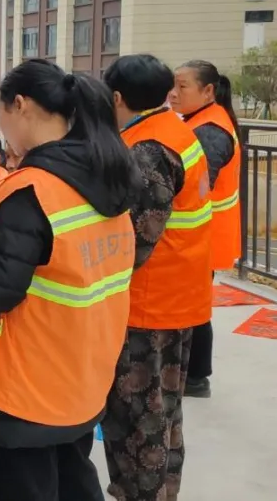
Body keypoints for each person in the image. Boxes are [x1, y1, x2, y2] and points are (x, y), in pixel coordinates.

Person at [0, 59, 140, 501]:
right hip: (82, 375)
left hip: (23, 388)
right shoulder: (104, 178)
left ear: (20, 105)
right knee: (73, 483)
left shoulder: (31, 190)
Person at [103, 54, 212, 501]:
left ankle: (142, 495)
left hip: (149, 306)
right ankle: (163, 492)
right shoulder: (175, 131)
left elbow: (136, 239)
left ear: (116, 97)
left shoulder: (147, 150)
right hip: (177, 295)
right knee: (164, 411)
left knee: (139, 418)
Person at [170, 60, 241, 400]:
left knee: (193, 305)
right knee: (192, 301)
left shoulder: (211, 131)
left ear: (208, 90)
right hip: (202, 231)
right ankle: (194, 374)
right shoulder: (201, 120)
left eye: (182, 86)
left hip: (204, 232)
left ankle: (197, 376)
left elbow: (197, 184)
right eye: (172, 86)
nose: (173, 94)